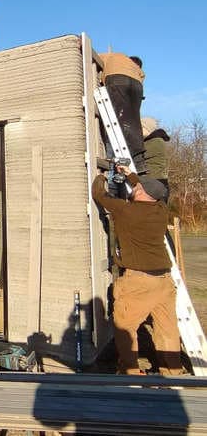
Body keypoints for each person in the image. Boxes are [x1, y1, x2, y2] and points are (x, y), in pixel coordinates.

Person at [92, 164, 182, 375]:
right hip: (164, 281)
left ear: (141, 192)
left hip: (139, 281)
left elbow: (99, 194)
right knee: (167, 328)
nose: (134, 190)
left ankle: (129, 372)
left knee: (125, 325)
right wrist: (130, 176)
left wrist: (100, 176)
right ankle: (172, 373)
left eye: (137, 188)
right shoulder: (161, 210)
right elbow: (149, 192)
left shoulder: (126, 210)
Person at [99, 52, 147, 174]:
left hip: (118, 79)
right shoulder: (136, 68)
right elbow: (142, 78)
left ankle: (113, 155)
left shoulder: (113, 56)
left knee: (114, 118)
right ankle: (138, 161)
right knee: (133, 121)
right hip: (137, 86)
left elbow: (94, 55)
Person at [142, 117, 170, 201]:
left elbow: (138, 154)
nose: (138, 130)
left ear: (148, 129)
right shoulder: (151, 141)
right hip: (154, 182)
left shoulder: (156, 142)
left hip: (156, 183)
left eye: (141, 127)